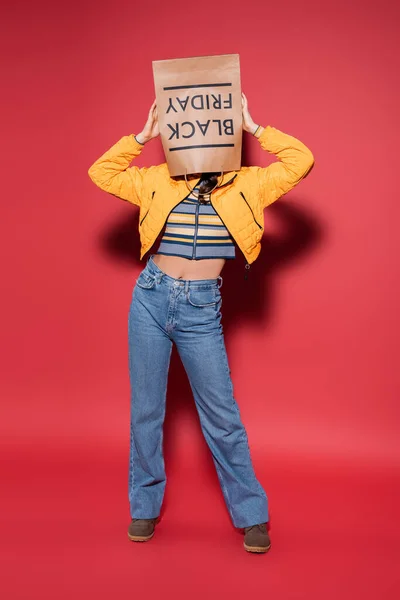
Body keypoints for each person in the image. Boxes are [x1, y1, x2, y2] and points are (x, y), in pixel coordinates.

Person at [88, 93, 314, 553]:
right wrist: (142, 135)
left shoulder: (248, 184)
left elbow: (301, 160)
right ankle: (144, 508)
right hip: (150, 298)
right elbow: (101, 173)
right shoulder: (156, 180)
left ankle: (251, 515)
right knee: (147, 411)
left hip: (200, 310)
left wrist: (254, 127)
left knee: (222, 417)